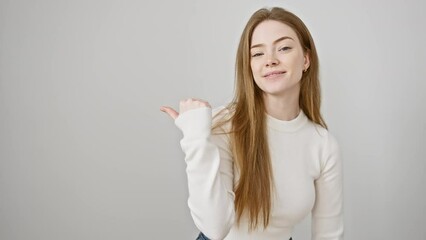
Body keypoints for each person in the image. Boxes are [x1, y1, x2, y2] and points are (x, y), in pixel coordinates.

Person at [160, 7, 343, 240]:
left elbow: (329, 234)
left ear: (306, 59)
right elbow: (215, 228)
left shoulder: (323, 144)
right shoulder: (225, 124)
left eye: (284, 48)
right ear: (249, 66)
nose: (270, 61)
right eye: (257, 54)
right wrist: (195, 138)